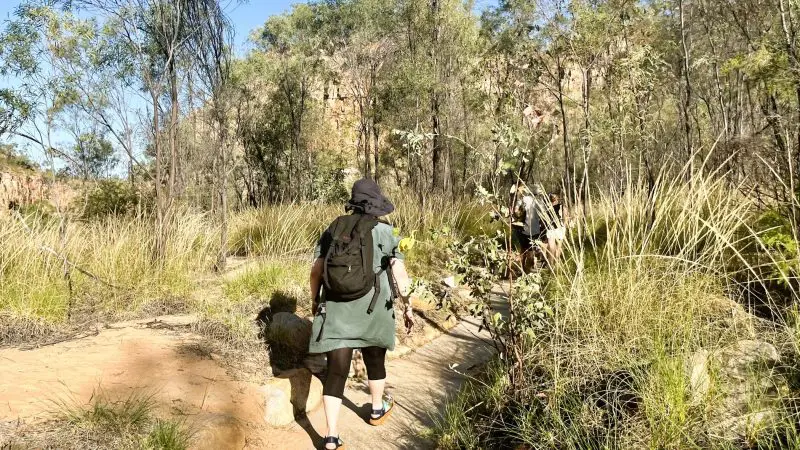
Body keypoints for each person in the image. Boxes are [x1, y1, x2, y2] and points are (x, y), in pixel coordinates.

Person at [309, 178, 415, 450]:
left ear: (353, 202)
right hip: (375, 308)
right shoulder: (388, 231)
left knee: (336, 372)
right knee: (375, 359)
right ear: (376, 203)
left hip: (336, 308)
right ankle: (377, 409)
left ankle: (331, 436)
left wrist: (314, 301)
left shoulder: (333, 229)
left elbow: (316, 270)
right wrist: (408, 306)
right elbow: (399, 273)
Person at [540, 192, 566, 266]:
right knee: (554, 247)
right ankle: (553, 264)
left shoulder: (560, 206)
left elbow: (565, 217)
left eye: (554, 197)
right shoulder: (547, 208)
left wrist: (564, 227)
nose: (554, 199)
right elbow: (543, 219)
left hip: (557, 229)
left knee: (555, 247)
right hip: (553, 229)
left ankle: (554, 264)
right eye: (553, 198)